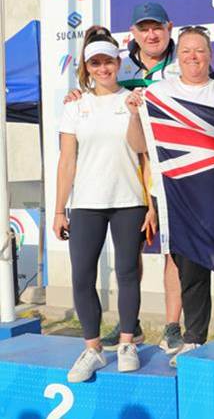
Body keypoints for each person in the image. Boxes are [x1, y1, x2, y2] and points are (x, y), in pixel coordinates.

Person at [124, 26, 214, 366]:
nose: (193, 57)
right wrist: (134, 115)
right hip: (181, 197)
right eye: (187, 51)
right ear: (178, 57)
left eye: (200, 50)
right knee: (191, 269)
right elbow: (139, 144)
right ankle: (193, 338)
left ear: (210, 55)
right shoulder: (159, 93)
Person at [53, 26, 155, 383]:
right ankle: (93, 348)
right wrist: (59, 209)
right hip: (86, 204)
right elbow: (67, 161)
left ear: (117, 63)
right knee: (82, 276)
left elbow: (144, 156)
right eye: (95, 63)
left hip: (129, 200)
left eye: (107, 62)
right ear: (87, 67)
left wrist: (152, 205)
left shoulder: (134, 100)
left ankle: (127, 343)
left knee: (127, 273)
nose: (102, 68)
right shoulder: (74, 106)